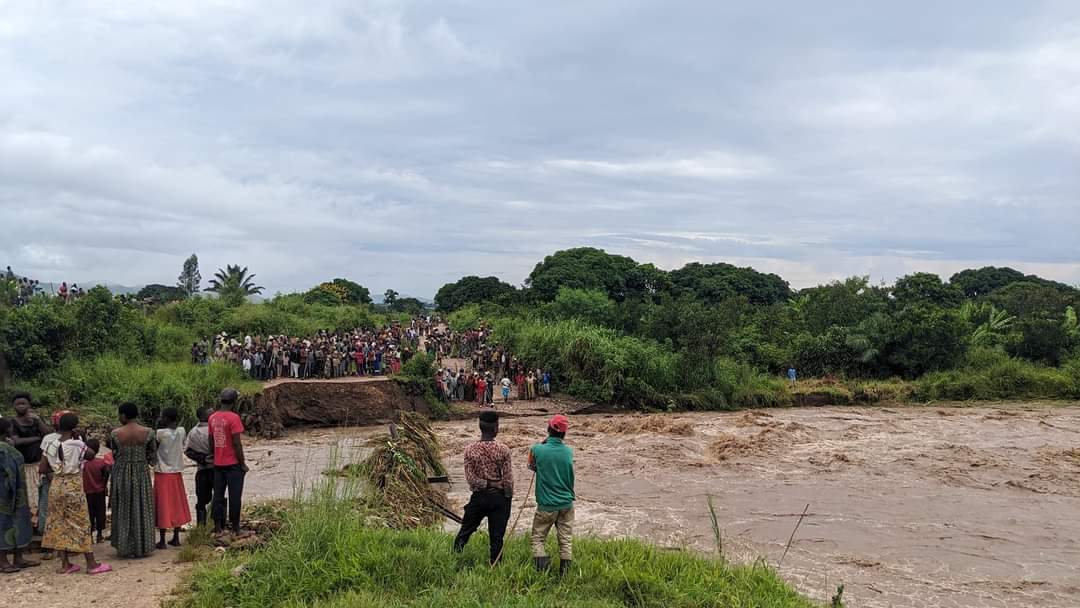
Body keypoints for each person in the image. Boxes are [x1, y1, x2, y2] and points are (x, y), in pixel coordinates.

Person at [41, 413, 111, 574]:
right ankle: (91, 564)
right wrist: (79, 438)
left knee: (59, 523)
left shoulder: (50, 444)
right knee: (81, 522)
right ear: (74, 427)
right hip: (73, 486)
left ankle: (66, 565)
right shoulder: (77, 444)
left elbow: (42, 468)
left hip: (56, 485)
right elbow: (91, 455)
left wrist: (58, 469)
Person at [453, 411, 513, 565]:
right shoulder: (504, 449)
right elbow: (508, 480)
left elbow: (471, 479)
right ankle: (496, 564)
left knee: (465, 531)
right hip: (499, 498)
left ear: (480, 428)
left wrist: (486, 485)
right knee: (497, 536)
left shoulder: (470, 450)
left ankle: (454, 557)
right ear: (495, 429)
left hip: (479, 497)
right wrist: (506, 497)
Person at [528, 414, 575, 575]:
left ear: (548, 429)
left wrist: (543, 444)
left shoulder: (536, 449)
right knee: (566, 540)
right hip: (567, 504)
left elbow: (531, 466)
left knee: (538, 538)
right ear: (564, 433)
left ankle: (543, 570)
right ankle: (565, 575)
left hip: (547, 505)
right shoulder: (569, 451)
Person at [109, 402, 157, 558]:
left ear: (123, 415)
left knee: (123, 508)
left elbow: (115, 455)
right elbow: (152, 459)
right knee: (141, 506)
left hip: (121, 473)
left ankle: (124, 546)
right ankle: (142, 546)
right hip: (141, 473)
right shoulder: (149, 432)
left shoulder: (115, 433)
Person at [0, 418, 39, 572]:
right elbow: (9, 471)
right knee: (4, 525)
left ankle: (18, 557)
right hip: (9, 492)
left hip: (15, 491)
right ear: (7, 430)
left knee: (17, 523)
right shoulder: (4, 450)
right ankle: (3, 561)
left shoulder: (8, 447)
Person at [8, 393, 49, 535]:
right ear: (13, 406)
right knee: (28, 498)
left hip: (39, 464)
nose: (21, 406)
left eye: (23, 403)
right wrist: (36, 438)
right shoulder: (12, 422)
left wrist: (38, 421)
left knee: (41, 497)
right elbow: (15, 441)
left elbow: (48, 434)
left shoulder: (36, 420)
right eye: (18, 404)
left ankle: (41, 526)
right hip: (24, 466)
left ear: (29, 405)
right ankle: (30, 528)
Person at [210, 388, 247, 536]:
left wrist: (215, 456)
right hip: (233, 464)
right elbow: (237, 443)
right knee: (235, 496)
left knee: (217, 496)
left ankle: (218, 527)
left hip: (218, 464)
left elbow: (211, 440)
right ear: (234, 402)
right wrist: (242, 463)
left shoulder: (212, 417)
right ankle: (236, 528)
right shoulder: (234, 418)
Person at [155, 408, 190, 548]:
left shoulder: (159, 433)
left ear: (166, 418)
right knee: (177, 504)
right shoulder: (181, 431)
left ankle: (162, 540)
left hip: (162, 473)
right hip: (176, 472)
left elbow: (154, 448)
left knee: (162, 505)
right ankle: (176, 537)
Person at [184, 407, 216, 526]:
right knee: (217, 497)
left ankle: (201, 527)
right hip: (215, 469)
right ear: (203, 417)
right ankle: (219, 525)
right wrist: (207, 458)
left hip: (202, 469)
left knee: (202, 499)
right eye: (211, 414)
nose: (214, 415)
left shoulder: (193, 432)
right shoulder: (214, 429)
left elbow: (187, 451)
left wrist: (202, 458)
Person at [81, 439, 109, 544]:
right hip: (99, 491)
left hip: (87, 492)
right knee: (100, 513)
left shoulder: (83, 464)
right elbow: (106, 474)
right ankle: (100, 535)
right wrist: (104, 485)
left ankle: (90, 537)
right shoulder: (101, 462)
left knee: (89, 514)